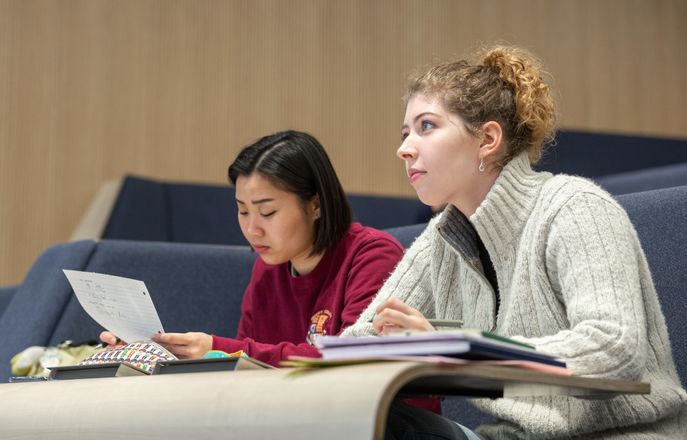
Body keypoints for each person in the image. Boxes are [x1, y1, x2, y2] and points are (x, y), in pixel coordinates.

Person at [343, 45, 687, 439]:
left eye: (426, 127)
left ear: (487, 139)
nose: (403, 148)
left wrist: (457, 350)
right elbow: (362, 339)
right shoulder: (442, 238)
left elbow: (612, 349)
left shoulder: (574, 206)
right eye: (405, 133)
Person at [101, 130, 404, 367]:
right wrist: (161, 355)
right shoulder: (267, 267)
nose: (252, 229)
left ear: (315, 205)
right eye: (243, 211)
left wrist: (221, 349)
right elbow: (249, 367)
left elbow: (353, 360)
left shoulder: (372, 255)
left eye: (267, 212)